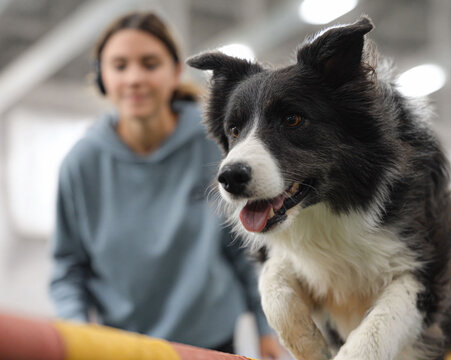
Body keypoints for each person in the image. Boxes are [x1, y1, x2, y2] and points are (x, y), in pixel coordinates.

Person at [49, 11, 282, 359]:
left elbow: (246, 246)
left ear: (175, 72)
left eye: (149, 63)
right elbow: (68, 268)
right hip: (123, 346)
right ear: (102, 78)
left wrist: (267, 328)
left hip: (208, 341)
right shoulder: (81, 164)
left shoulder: (215, 147)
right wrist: (77, 330)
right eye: (120, 66)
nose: (135, 78)